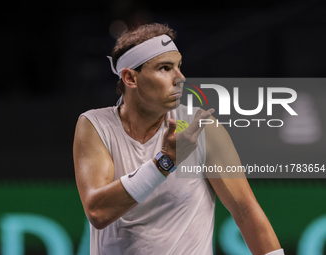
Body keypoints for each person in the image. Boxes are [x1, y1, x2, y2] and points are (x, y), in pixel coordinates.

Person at [73, 23, 284, 255]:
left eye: (179, 66)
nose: (180, 77)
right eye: (164, 68)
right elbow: (98, 212)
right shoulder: (95, 125)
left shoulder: (201, 127)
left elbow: (245, 212)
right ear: (130, 78)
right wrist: (166, 161)